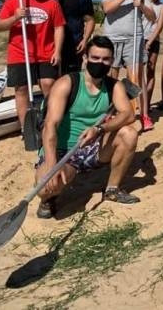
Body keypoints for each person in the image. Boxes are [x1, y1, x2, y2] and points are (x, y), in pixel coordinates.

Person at [34, 36, 141, 219]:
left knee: (129, 134)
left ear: (112, 61)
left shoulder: (113, 86)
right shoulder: (67, 83)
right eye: (95, 58)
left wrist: (99, 130)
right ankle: (48, 200)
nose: (100, 63)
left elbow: (128, 114)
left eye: (106, 59)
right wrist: (52, 165)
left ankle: (112, 189)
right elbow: (50, 126)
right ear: (85, 58)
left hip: (92, 147)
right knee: (45, 187)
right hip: (61, 150)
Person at [0, 0, 65, 126]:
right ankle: (25, 128)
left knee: (49, 85)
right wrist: (15, 17)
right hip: (20, 54)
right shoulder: (14, 1)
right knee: (21, 89)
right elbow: (0, 25)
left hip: (46, 53)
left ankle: (51, 123)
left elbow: (59, 27)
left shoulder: (52, 4)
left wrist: (58, 51)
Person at [101, 0, 154, 130]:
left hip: (134, 39)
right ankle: (111, 114)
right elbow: (108, 8)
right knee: (111, 78)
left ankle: (144, 115)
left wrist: (141, 5)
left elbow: (152, 17)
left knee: (137, 78)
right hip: (112, 39)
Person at [51, 0, 95, 75]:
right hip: (50, 45)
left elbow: (90, 20)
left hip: (74, 45)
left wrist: (85, 40)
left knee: (71, 79)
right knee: (50, 81)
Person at [141, 0, 163, 113]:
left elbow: (159, 25)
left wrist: (150, 42)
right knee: (137, 72)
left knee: (150, 71)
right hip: (139, 38)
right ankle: (136, 102)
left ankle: (147, 103)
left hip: (153, 41)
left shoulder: (161, 6)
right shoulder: (141, 0)